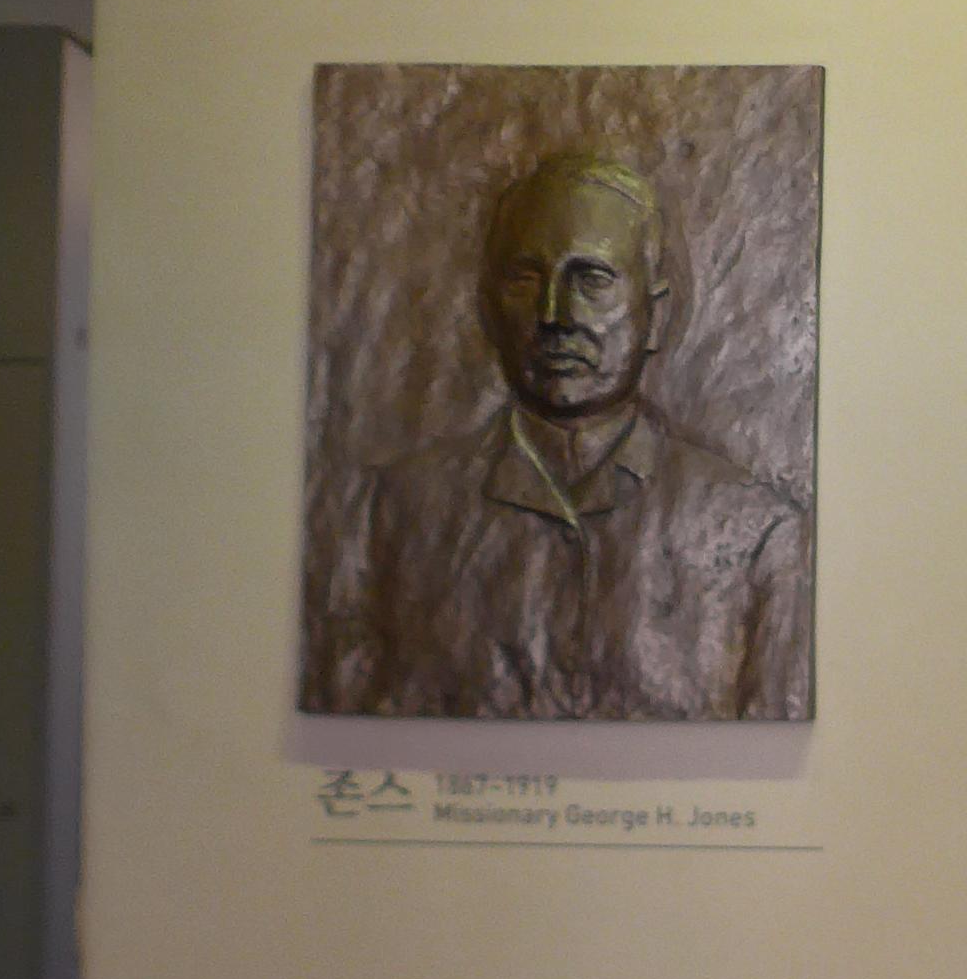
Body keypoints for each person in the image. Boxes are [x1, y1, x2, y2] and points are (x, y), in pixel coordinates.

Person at [314, 149, 810, 720]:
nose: (556, 314)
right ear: (488, 309)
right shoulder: (392, 514)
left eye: (592, 280)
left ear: (656, 314)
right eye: (526, 279)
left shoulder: (758, 535)